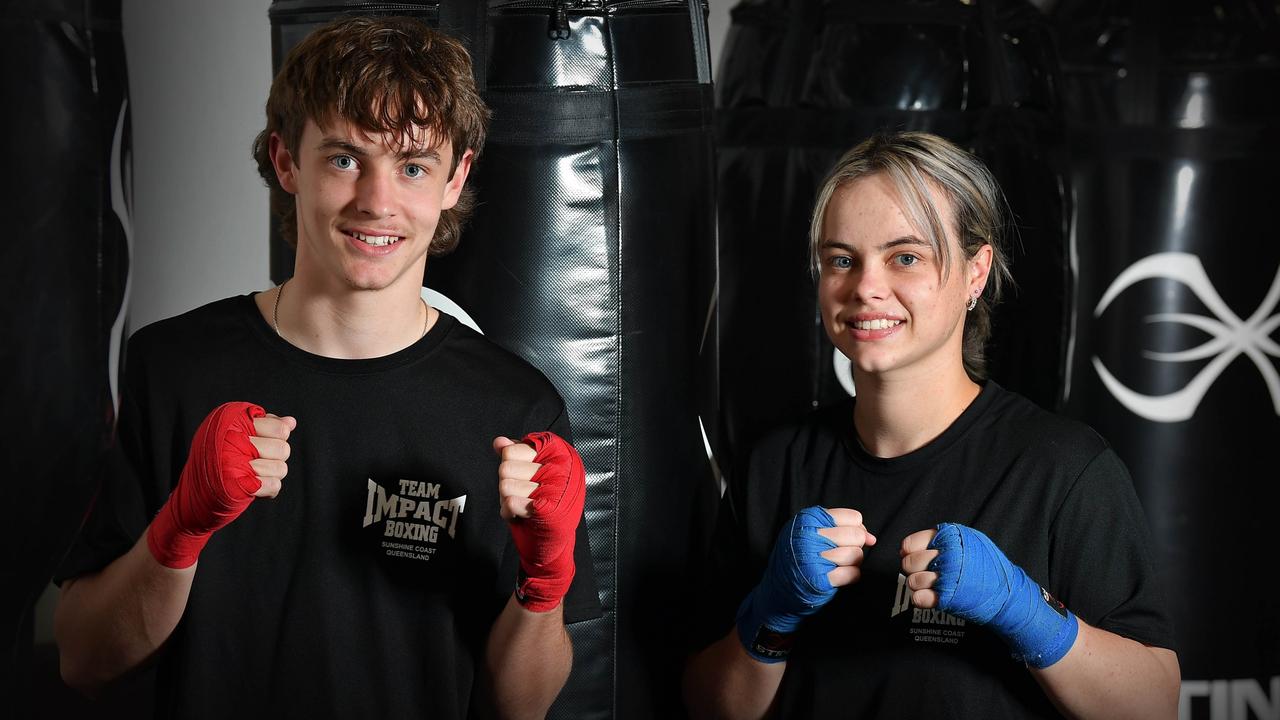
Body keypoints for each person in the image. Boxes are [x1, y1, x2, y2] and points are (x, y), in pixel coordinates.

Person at [52, 16, 598, 719]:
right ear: (286, 161)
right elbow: (83, 662)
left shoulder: (515, 409)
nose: (377, 201)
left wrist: (546, 582)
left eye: (412, 166)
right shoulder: (172, 367)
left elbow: (518, 708)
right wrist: (178, 531)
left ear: (456, 177)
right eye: (344, 158)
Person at [683, 132, 1179, 718]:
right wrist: (770, 616)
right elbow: (705, 707)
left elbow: (1153, 705)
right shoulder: (772, 468)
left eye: (906, 257)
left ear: (976, 273)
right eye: (841, 259)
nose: (866, 287)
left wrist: (1027, 613)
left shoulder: (1062, 468)